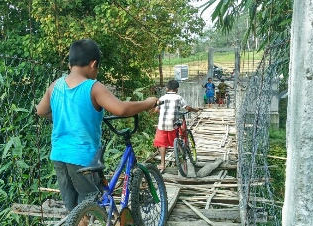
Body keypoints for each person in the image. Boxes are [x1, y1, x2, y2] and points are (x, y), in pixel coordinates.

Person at [36, 38, 158, 212]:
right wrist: (148, 102)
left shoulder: (55, 85)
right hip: (82, 157)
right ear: (93, 64)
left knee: (74, 211)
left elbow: (41, 111)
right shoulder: (93, 87)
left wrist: (65, 116)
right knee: (89, 207)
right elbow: (121, 109)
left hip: (59, 155)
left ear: (71, 64)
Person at [154, 80, 200, 173]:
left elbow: (156, 110)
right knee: (177, 137)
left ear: (166, 88)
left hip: (161, 125)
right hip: (172, 125)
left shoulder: (162, 98)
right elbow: (187, 107)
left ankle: (162, 164)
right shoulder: (178, 98)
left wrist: (163, 113)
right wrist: (195, 110)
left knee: (162, 144)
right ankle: (180, 158)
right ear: (177, 89)